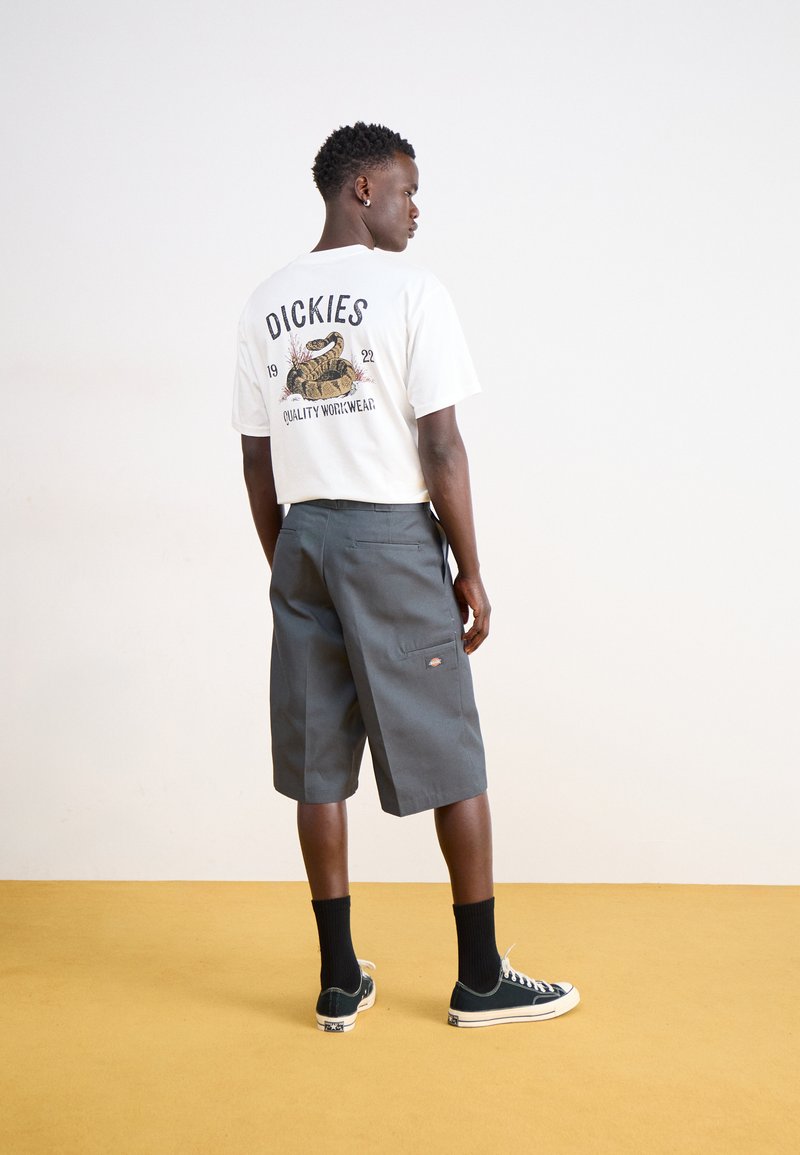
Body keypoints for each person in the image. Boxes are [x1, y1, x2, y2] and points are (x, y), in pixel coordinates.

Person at [232, 122, 579, 1031]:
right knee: (451, 750)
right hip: (389, 538)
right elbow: (442, 445)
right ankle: (480, 979)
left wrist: (288, 560)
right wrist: (471, 568)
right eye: (407, 189)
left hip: (304, 536)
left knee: (316, 763)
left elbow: (257, 459)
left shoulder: (265, 301)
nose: (416, 209)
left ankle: (338, 979)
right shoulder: (412, 290)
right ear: (362, 189)